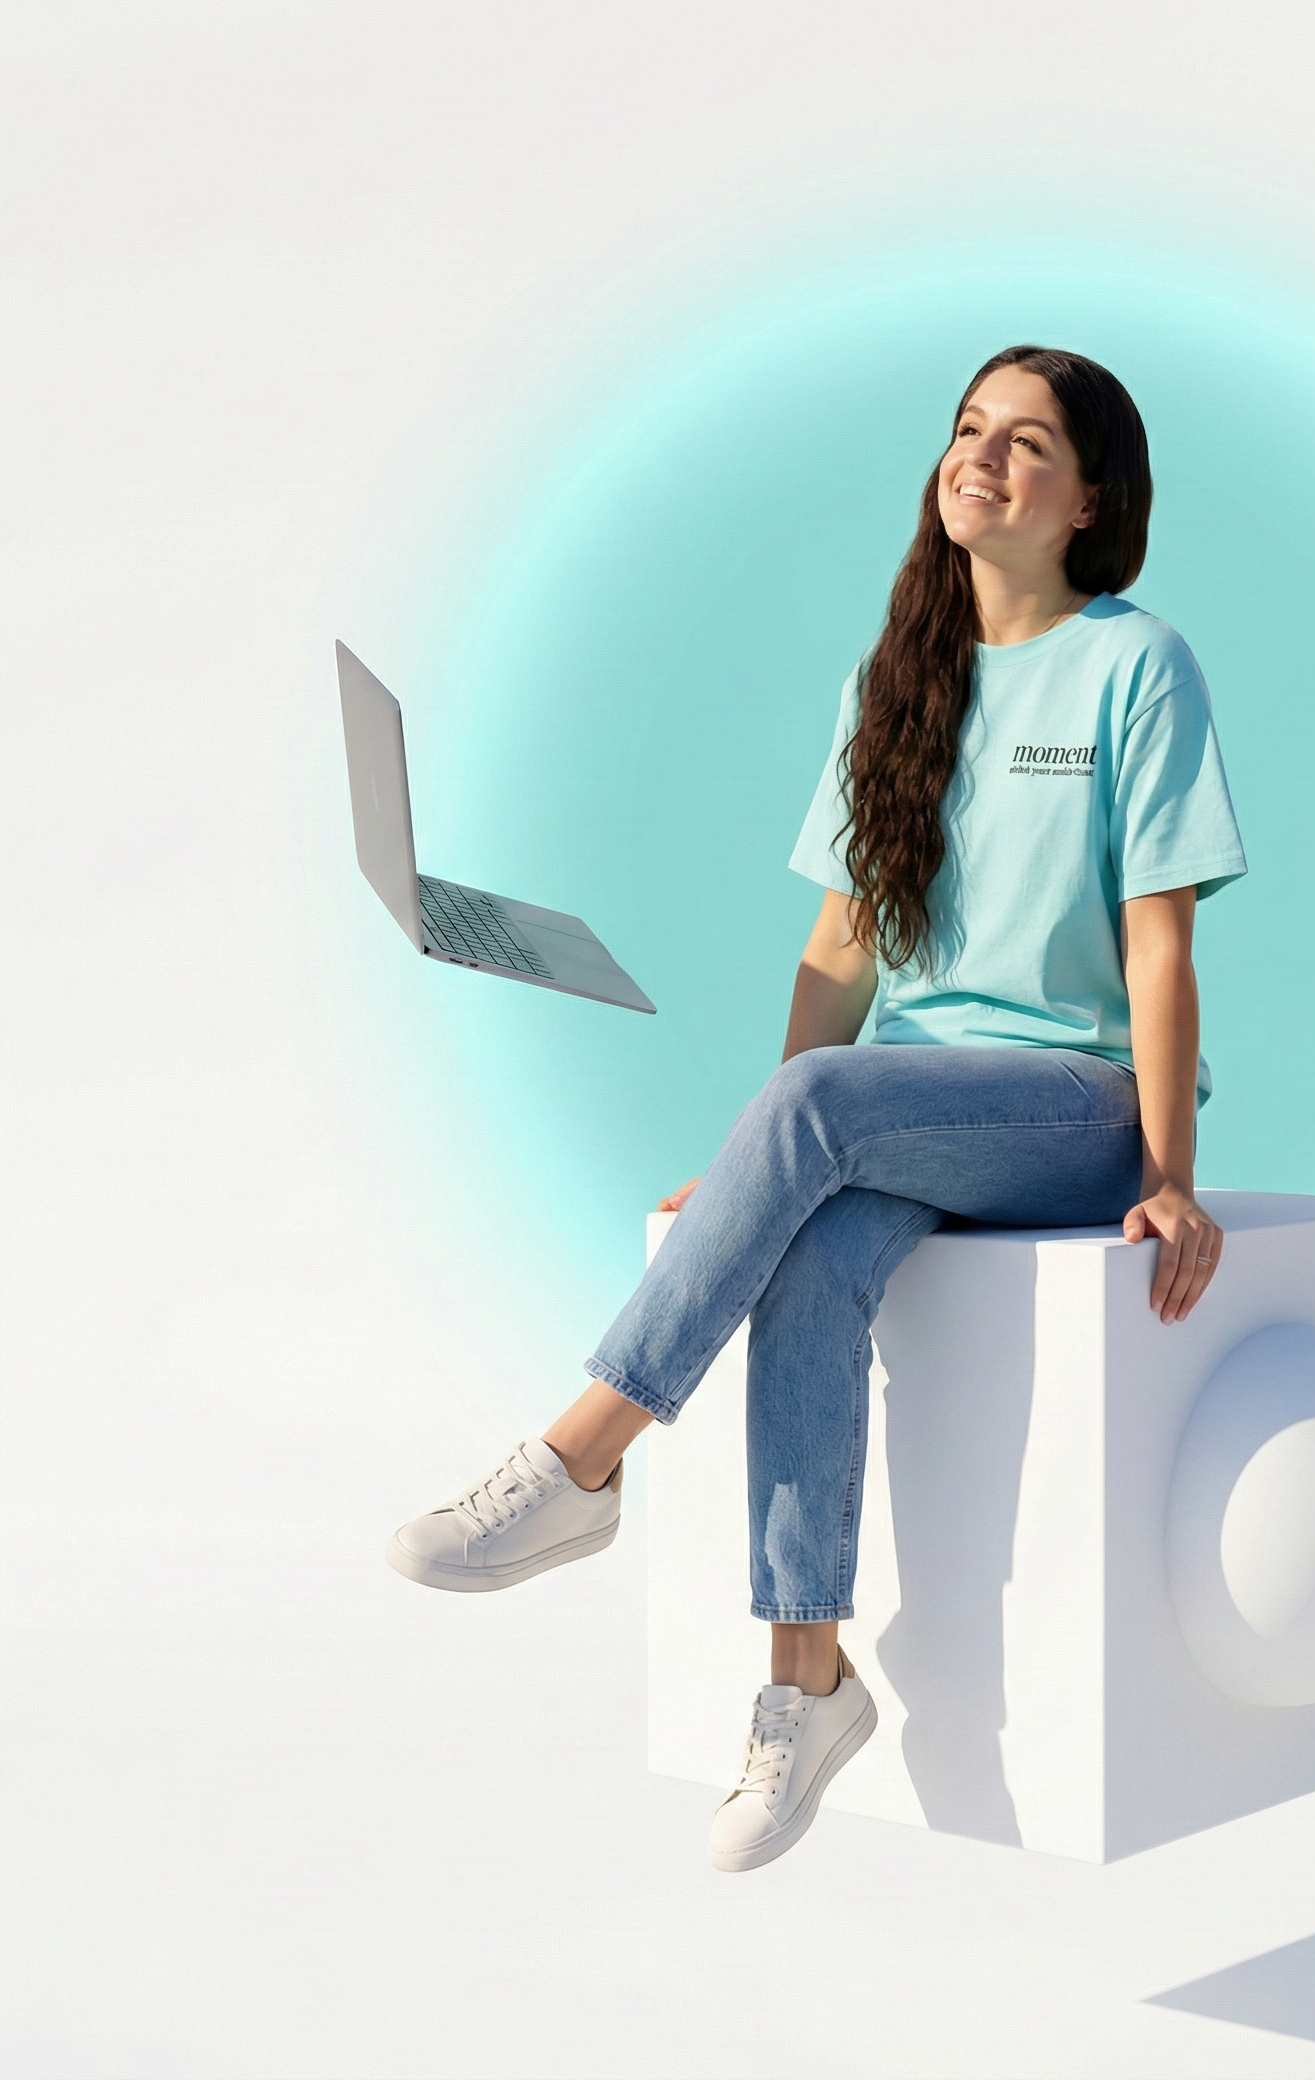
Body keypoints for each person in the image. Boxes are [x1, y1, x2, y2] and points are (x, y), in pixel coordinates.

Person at [385, 345, 1247, 1871]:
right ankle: (808, 1685)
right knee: (810, 1262)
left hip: (1080, 1105)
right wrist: (760, 1170)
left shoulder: (1139, 665)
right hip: (911, 1102)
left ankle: (582, 1459)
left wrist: (1172, 1173)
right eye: (969, 429)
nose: (982, 456)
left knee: (813, 1114)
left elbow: (1159, 945)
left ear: (1090, 501)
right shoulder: (892, 679)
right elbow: (844, 944)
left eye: (1027, 443)